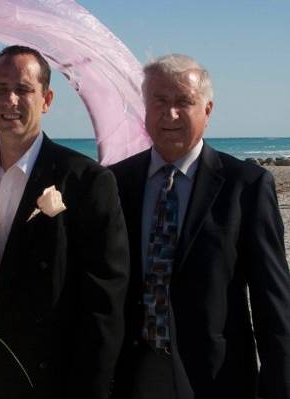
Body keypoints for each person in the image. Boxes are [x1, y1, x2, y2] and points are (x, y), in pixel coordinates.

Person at [110, 54, 290, 399]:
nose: (170, 113)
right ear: (144, 108)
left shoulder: (246, 186)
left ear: (207, 110)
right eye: (159, 101)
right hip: (132, 371)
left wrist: (279, 386)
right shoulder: (116, 182)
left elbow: (273, 300)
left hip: (215, 374)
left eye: (184, 102)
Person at [0, 45, 130, 399]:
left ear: (47, 99)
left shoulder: (86, 180)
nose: (10, 100)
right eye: (1, 89)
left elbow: (105, 299)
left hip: (51, 374)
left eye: (24, 89)